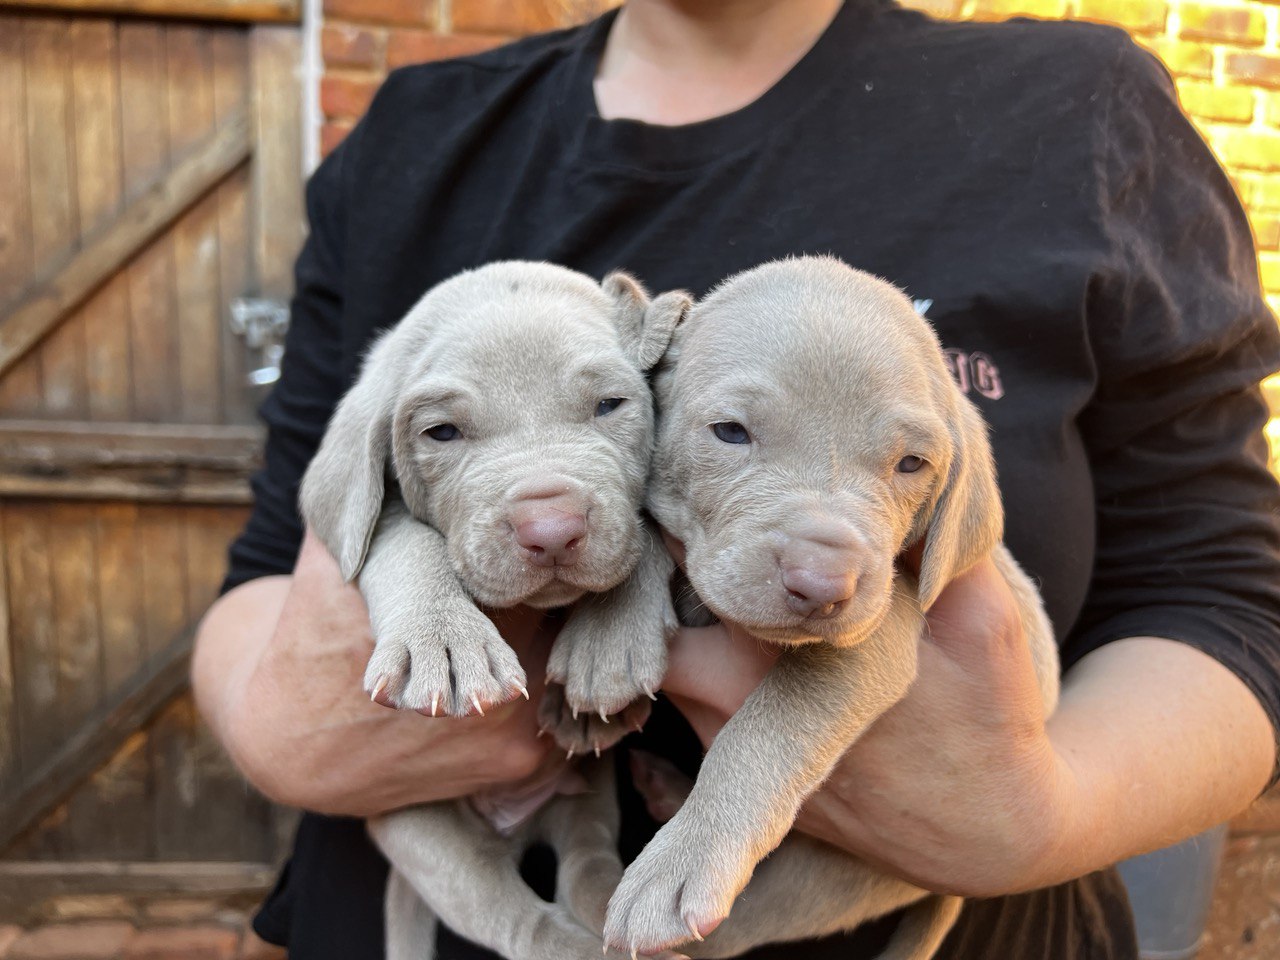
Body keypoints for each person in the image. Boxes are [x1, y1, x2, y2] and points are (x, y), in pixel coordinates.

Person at [191, 1, 1280, 957]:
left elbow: (1230, 599)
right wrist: (280, 738)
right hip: (423, 897)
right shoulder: (408, 137)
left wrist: (1039, 817)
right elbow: (275, 554)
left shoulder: (1074, 112)